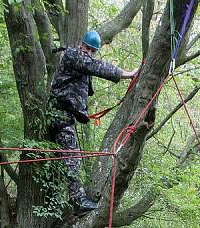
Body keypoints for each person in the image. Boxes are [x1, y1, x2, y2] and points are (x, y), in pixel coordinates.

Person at [48, 30, 138, 216]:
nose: (88, 52)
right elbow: (97, 67)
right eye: (87, 48)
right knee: (72, 158)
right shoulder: (74, 55)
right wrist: (128, 74)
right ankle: (78, 202)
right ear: (81, 45)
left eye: (92, 50)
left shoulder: (80, 59)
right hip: (59, 114)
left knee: (63, 160)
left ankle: (59, 204)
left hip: (64, 115)